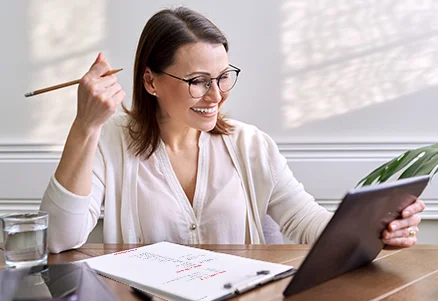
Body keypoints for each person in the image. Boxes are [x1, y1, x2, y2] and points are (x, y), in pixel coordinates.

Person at [40, 7, 425, 254]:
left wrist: (376, 231)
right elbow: (57, 238)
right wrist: (84, 126)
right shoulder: (109, 141)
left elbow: (306, 222)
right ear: (151, 81)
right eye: (198, 80)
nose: (216, 95)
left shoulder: (251, 144)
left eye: (223, 77)